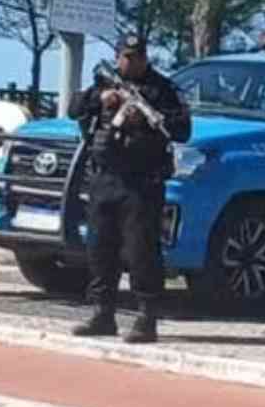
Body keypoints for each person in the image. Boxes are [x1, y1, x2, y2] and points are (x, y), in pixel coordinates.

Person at [68, 34, 190, 344]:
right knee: (100, 248)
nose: (130, 62)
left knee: (141, 250)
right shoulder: (105, 83)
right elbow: (74, 108)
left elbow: (182, 129)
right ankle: (102, 313)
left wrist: (145, 120)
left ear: (145, 57)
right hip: (105, 178)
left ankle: (146, 317)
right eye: (125, 56)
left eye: (136, 56)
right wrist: (101, 99)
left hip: (142, 182)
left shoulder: (161, 90)